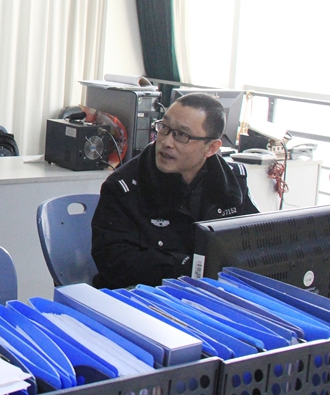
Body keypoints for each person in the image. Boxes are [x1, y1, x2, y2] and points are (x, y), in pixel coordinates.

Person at [91, 92, 258, 289]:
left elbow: (255, 245)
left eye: (182, 135)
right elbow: (114, 262)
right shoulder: (124, 186)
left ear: (211, 148)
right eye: (164, 128)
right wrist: (187, 267)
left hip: (212, 293)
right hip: (141, 295)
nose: (166, 142)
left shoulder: (232, 183)